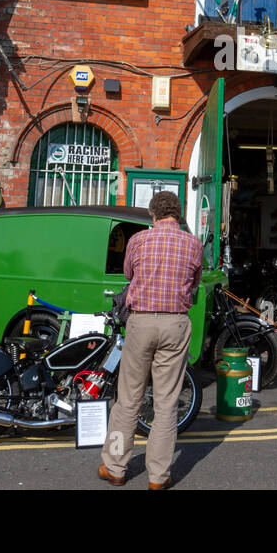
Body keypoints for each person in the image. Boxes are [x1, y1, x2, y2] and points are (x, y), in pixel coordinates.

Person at [98, 190, 202, 489]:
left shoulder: (139, 240)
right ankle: (159, 476)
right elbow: (194, 284)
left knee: (128, 399)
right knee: (167, 402)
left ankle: (116, 466)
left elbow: (129, 272)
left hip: (141, 321)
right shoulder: (193, 244)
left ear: (153, 215)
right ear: (178, 214)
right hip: (175, 324)